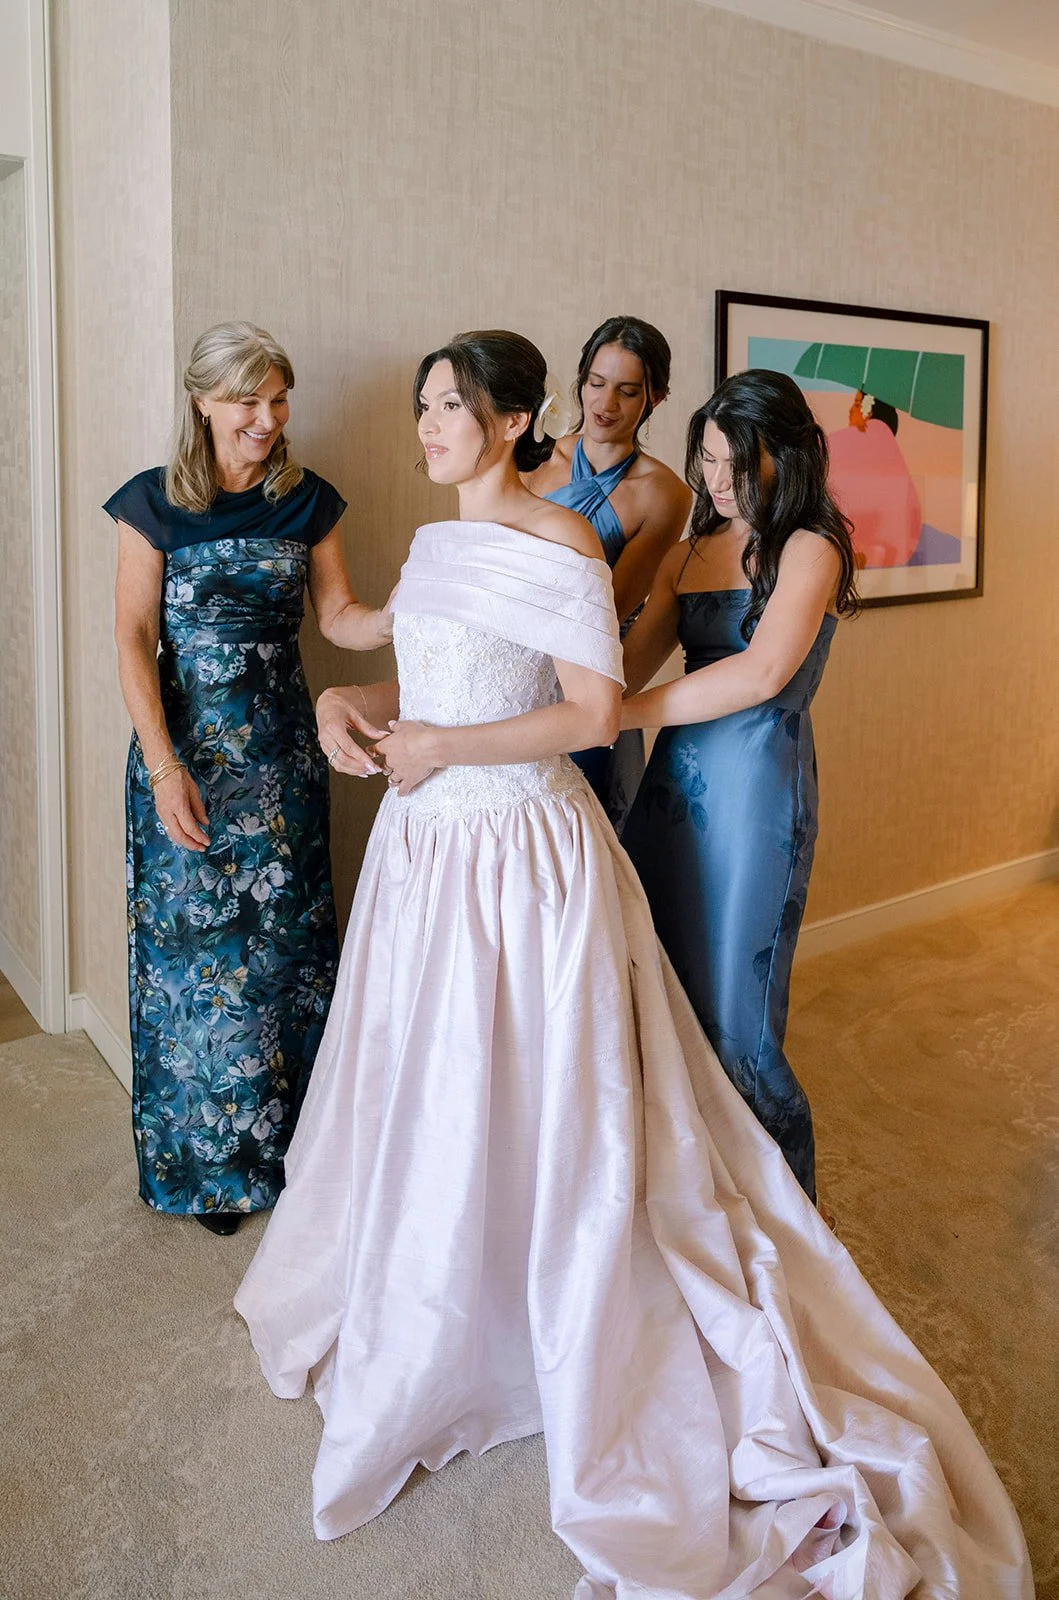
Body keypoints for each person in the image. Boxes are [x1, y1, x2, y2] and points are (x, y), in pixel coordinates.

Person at [235, 332, 1028, 1597]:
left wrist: (491, 743)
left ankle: (766, 1217)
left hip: (681, 792)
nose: (426, 425)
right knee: (491, 1061)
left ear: (508, 420)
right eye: (423, 406)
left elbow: (630, 694)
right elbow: (455, 661)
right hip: (458, 838)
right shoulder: (450, 543)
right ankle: (450, 1279)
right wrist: (355, 705)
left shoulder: (688, 544)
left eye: (448, 406)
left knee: (722, 1026)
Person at [108, 320, 391, 1235]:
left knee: (281, 966)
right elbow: (130, 638)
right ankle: (207, 1177)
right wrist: (161, 766)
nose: (266, 420)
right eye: (246, 400)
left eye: (278, 400)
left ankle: (290, 1159)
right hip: (182, 758)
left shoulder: (307, 502)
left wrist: (418, 612)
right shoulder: (151, 502)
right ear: (202, 400)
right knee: (192, 969)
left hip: (279, 762)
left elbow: (339, 616)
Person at [619, 370, 858, 1204]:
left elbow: (759, 675)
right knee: (657, 996)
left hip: (757, 794)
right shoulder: (688, 551)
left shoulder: (810, 546)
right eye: (706, 460)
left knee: (741, 1026)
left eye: (733, 464)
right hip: (669, 795)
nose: (714, 481)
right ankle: (694, 1196)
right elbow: (629, 664)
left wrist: (624, 711)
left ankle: (792, 1223)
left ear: (783, 459)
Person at [526, 315, 691, 827]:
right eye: (595, 384)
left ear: (655, 398)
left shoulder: (664, 493)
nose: (605, 404)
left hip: (588, 669)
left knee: (586, 835)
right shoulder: (532, 458)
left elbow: (613, 604)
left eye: (626, 391)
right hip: (508, 653)